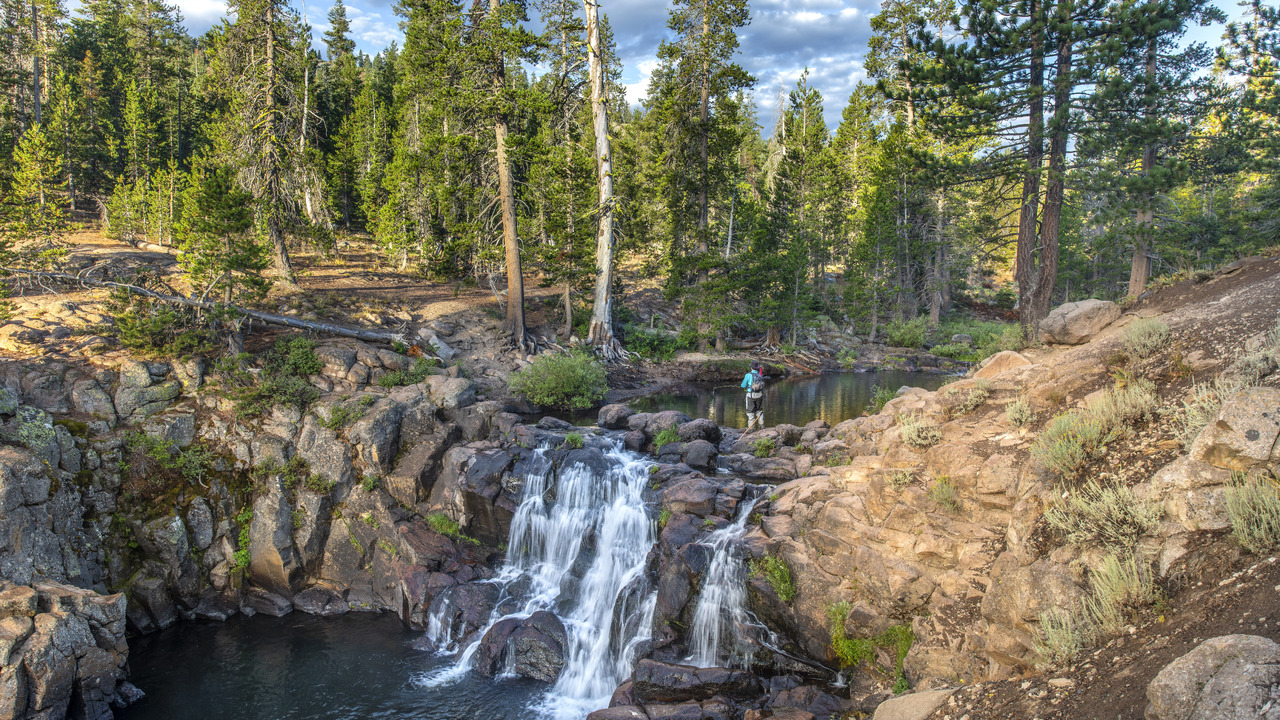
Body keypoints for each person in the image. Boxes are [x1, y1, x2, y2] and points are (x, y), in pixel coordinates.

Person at [740, 362, 766, 431]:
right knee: (759, 410)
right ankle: (762, 425)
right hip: (760, 395)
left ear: (751, 368)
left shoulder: (748, 375)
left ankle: (751, 428)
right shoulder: (760, 375)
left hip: (751, 395)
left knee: (750, 411)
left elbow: (743, 385)